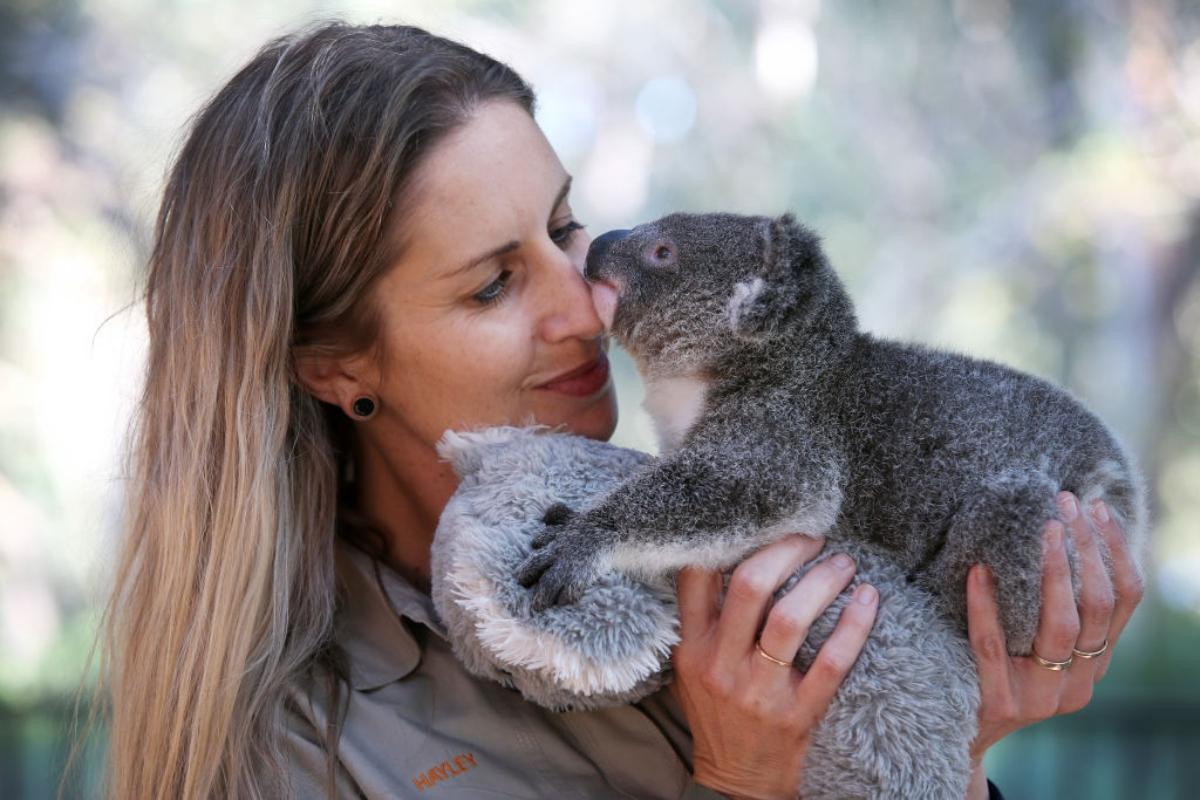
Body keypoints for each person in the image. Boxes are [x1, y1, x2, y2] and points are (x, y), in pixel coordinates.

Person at [91, 20, 1144, 800]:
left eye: (564, 227)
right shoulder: (293, 748)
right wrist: (742, 776)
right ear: (333, 363)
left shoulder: (714, 541)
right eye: (493, 284)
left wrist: (950, 747)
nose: (586, 304)